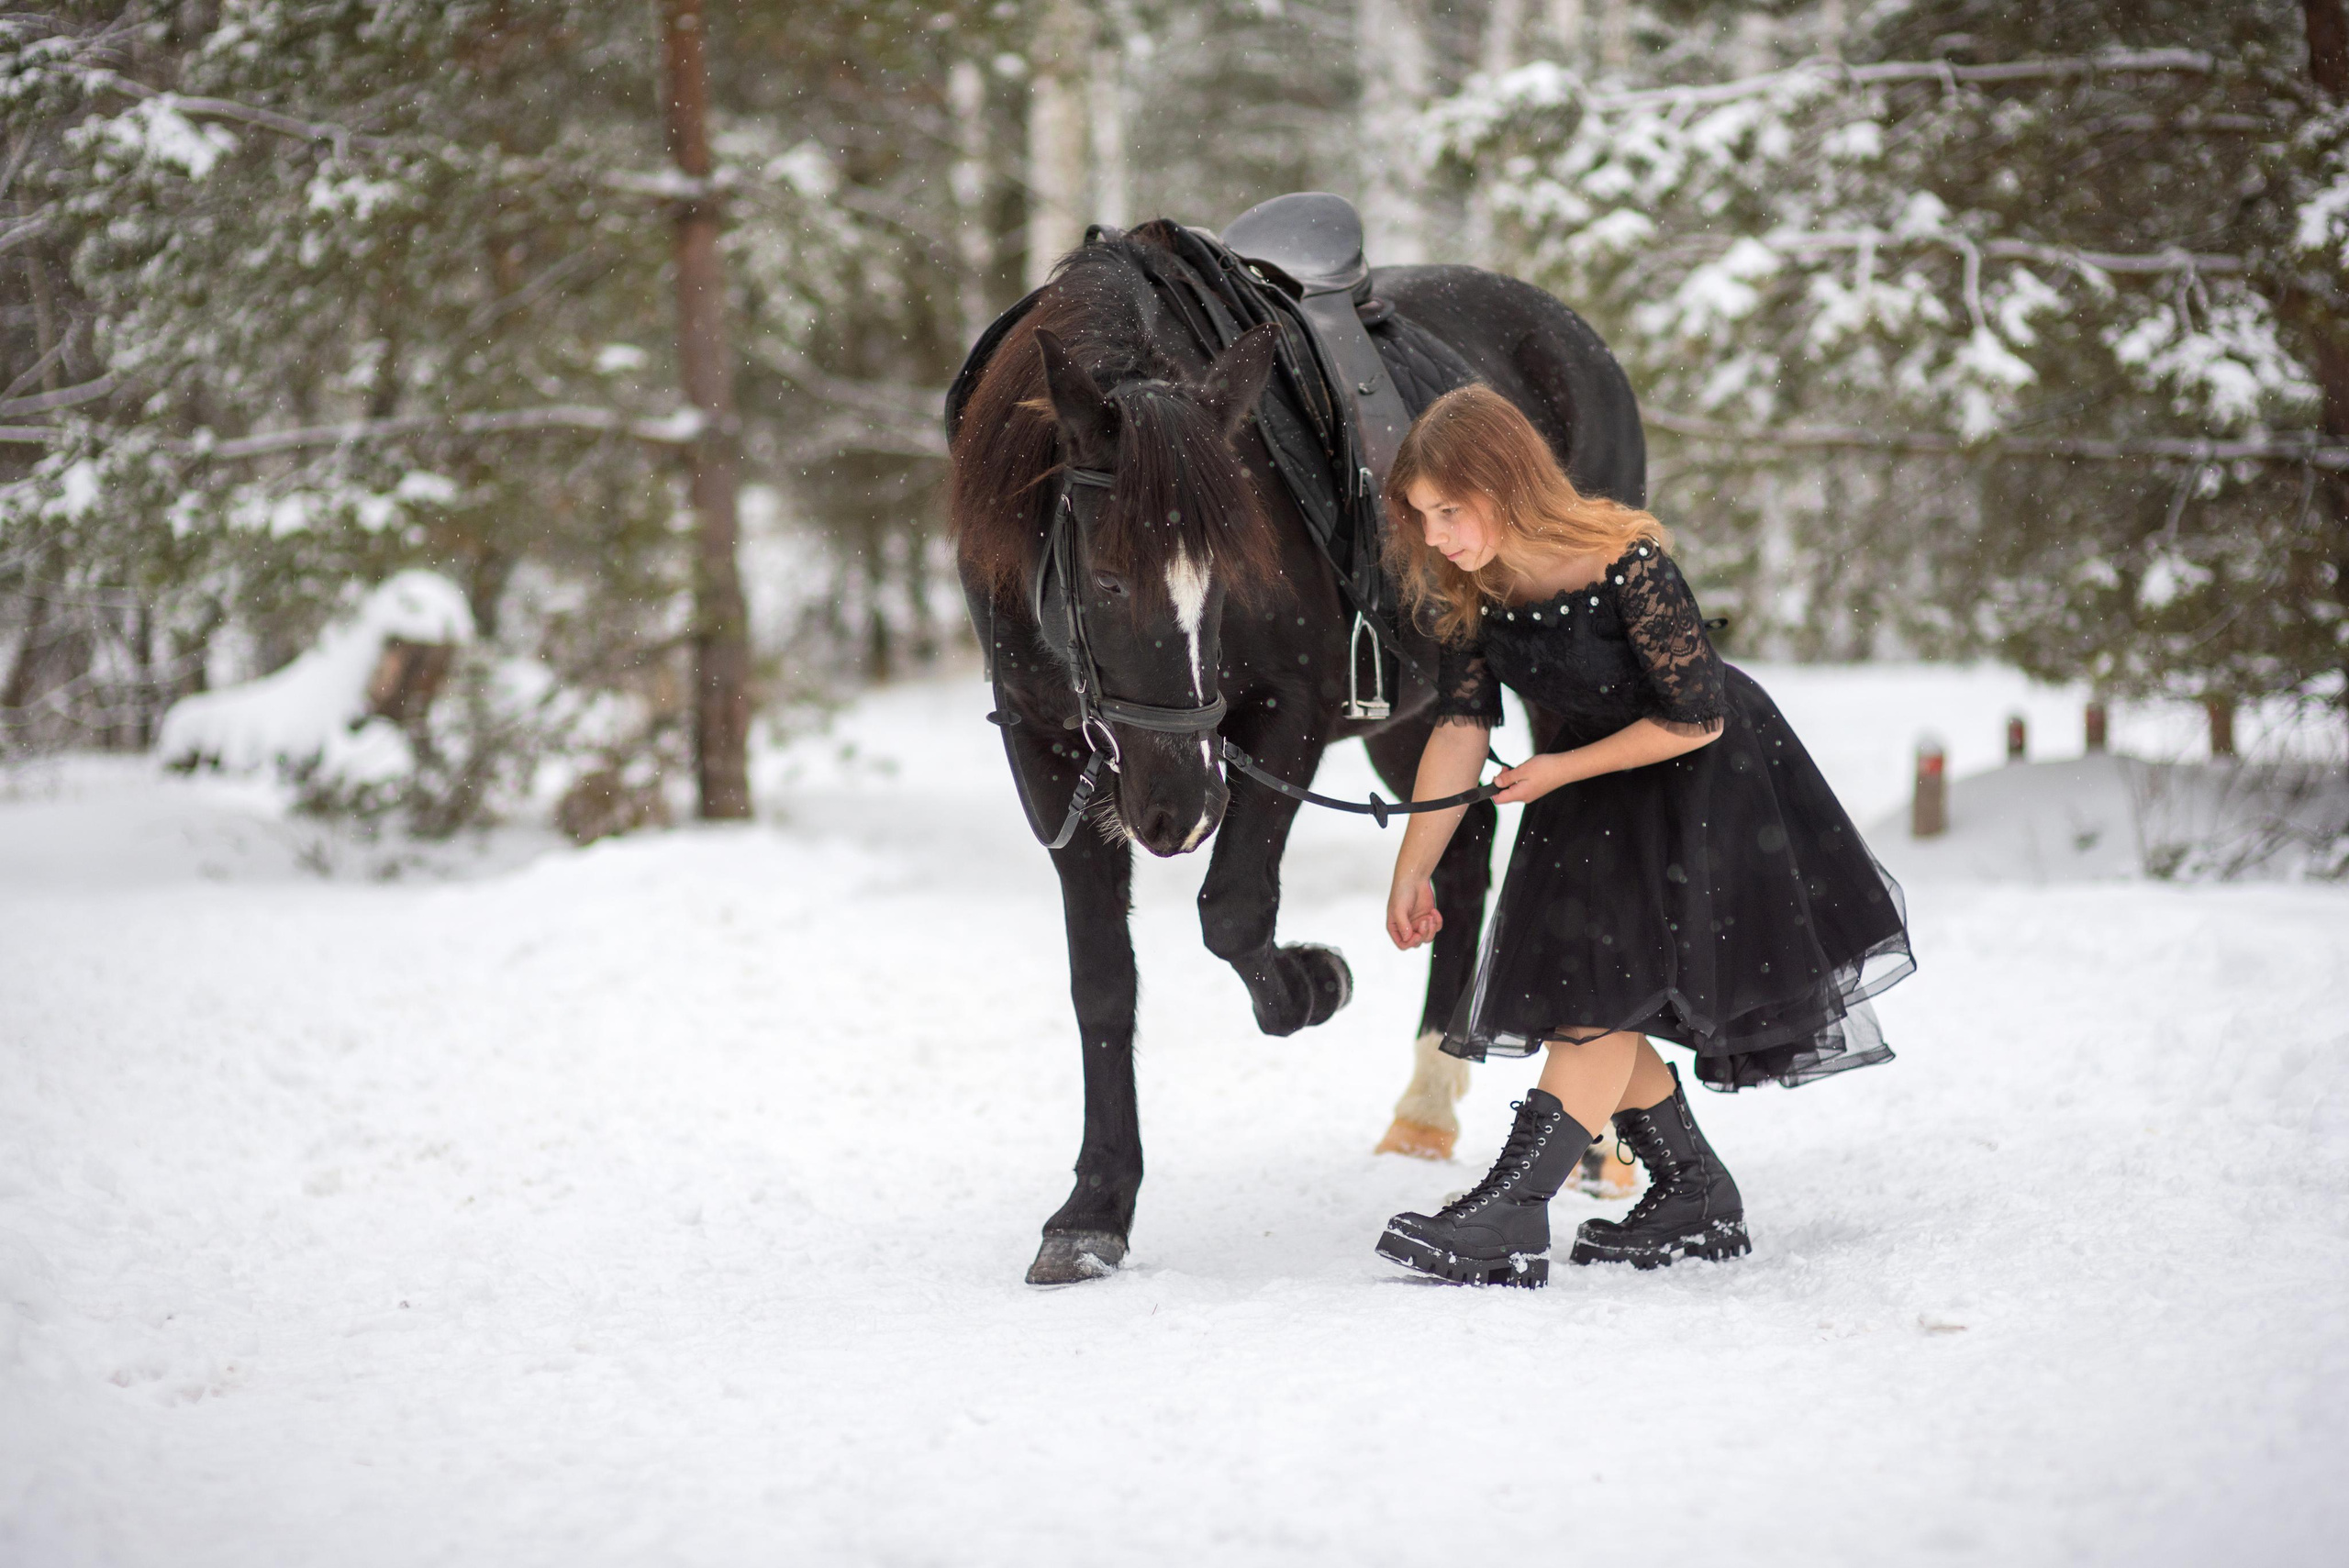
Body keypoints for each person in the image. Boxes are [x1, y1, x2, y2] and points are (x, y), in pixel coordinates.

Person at [1375, 384, 1914, 1287]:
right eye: (1421, 517)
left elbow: (1696, 716)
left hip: (1702, 782)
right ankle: (1693, 1187)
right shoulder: (1475, 588)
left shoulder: (1626, 563)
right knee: (1588, 988)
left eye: (1448, 511)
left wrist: (1553, 771)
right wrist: (1413, 866)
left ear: (1504, 484)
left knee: (1592, 1000)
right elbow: (1460, 727)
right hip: (1589, 789)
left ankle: (1512, 1209)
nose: (1435, 537)